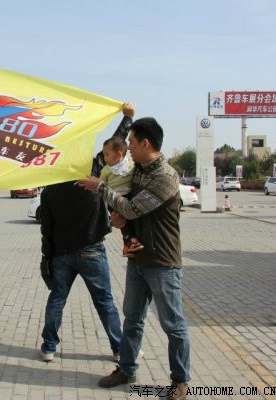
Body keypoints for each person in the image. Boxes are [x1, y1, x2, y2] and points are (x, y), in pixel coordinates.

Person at [79, 117, 190, 400]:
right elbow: (125, 201)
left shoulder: (165, 177)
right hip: (138, 258)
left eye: (131, 142)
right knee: (132, 318)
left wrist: (104, 192)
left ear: (145, 143)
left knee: (173, 324)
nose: (127, 147)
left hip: (162, 262)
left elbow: (131, 208)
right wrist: (119, 217)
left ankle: (180, 381)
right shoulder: (136, 170)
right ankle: (127, 369)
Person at [38, 180, 122, 364]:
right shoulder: (93, 185)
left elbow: (46, 227)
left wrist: (48, 254)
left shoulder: (50, 189)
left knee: (57, 300)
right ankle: (119, 349)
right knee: (104, 301)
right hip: (92, 250)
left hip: (62, 253)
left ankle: (49, 347)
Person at [98, 136, 144, 257]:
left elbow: (100, 185)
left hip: (123, 199)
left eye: (106, 154)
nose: (104, 158)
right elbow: (100, 185)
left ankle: (129, 244)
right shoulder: (110, 169)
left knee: (127, 223)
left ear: (119, 155)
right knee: (123, 222)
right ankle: (130, 243)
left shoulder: (130, 165)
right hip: (118, 199)